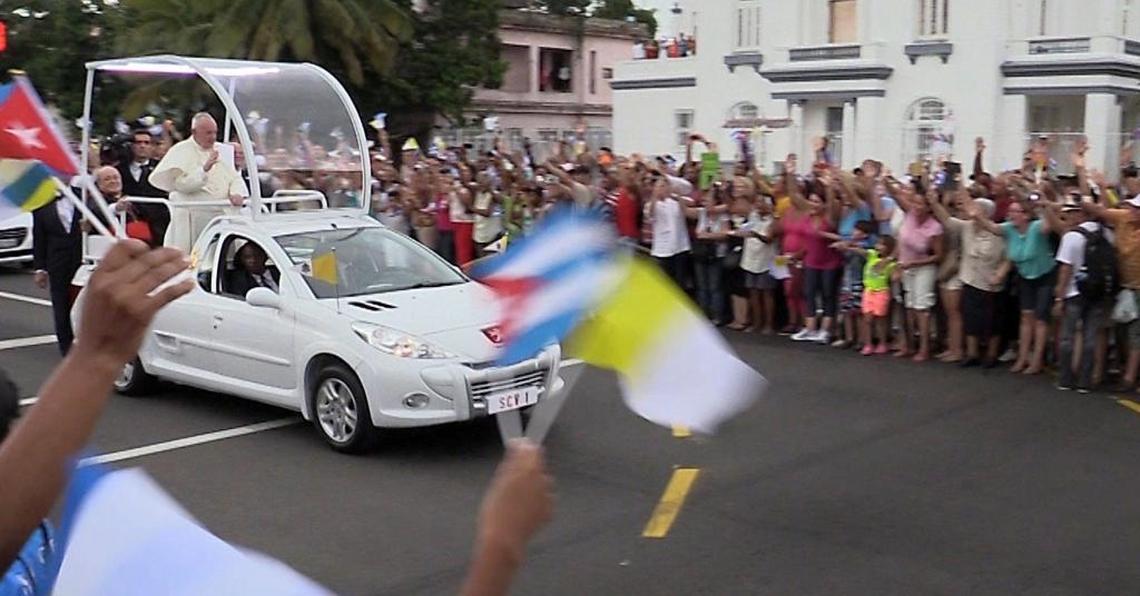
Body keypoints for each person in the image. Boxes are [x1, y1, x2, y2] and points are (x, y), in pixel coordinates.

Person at [973, 196, 1057, 375]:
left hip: (1045, 276)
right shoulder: (1009, 229)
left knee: (1040, 320)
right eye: (1010, 211)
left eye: (1015, 212)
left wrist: (1046, 207)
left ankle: (1036, 360)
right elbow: (993, 228)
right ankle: (1022, 357)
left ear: (1025, 215)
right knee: (1026, 317)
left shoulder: (1036, 227)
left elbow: (1048, 226)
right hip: (1025, 277)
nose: (1011, 215)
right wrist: (978, 216)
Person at [149, 113, 247, 252]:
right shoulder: (181, 150)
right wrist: (204, 169)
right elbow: (181, 185)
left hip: (224, 214)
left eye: (214, 133)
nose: (212, 137)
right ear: (194, 132)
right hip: (195, 218)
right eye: (208, 133)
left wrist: (236, 193)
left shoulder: (222, 150)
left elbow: (235, 178)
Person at [932, 193, 1008, 368]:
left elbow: (1007, 258)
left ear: (986, 213)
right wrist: (934, 202)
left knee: (992, 321)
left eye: (976, 209)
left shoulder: (998, 232)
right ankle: (972, 353)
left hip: (991, 282)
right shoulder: (966, 227)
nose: (970, 211)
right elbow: (947, 219)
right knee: (971, 318)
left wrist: (1000, 274)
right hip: (970, 279)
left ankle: (991, 354)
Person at [1053, 198, 1110, 393]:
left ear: (1080, 213)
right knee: (1090, 338)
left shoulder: (1072, 236)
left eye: (1070, 212)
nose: (1067, 216)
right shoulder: (1106, 234)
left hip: (1074, 292)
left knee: (1068, 337)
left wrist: (1059, 297)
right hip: (1098, 292)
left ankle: (1066, 378)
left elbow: (1066, 268)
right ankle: (1085, 380)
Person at [895, 186, 945, 362]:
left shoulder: (935, 227)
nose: (916, 206)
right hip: (906, 266)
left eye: (920, 204)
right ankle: (908, 345)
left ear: (928, 207)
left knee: (921, 307)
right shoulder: (909, 216)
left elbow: (938, 255)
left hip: (924, 267)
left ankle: (924, 347)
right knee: (908, 306)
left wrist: (915, 263)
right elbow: (900, 244)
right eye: (914, 202)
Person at [32, 194, 83, 355]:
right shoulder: (41, 202)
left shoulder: (82, 194)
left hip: (83, 259)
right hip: (58, 261)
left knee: (85, 303)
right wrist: (40, 268)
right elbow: (39, 237)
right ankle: (67, 350)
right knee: (61, 306)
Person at [115, 128, 170, 244]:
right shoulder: (119, 170)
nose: (142, 146)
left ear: (152, 146)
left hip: (158, 226)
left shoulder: (161, 168)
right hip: (129, 226)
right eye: (138, 143)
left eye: (146, 143)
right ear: (131, 146)